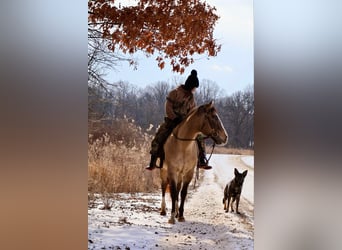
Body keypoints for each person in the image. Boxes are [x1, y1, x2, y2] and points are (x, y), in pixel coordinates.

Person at [146, 69, 212, 170]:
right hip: (172, 121)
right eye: (194, 87)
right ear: (190, 85)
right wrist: (174, 118)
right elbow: (168, 107)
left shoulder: (191, 98)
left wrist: (189, 122)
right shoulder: (175, 93)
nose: (194, 90)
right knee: (159, 136)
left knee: (199, 137)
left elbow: (192, 112)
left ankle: (201, 159)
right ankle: (153, 160)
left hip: (185, 123)